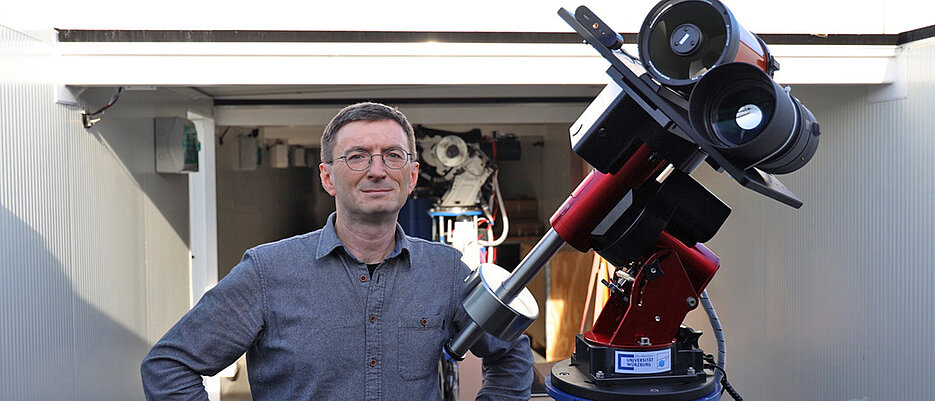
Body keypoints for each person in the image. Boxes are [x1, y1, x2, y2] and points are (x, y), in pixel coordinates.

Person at [141, 102, 534, 400]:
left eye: (393, 156)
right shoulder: (267, 271)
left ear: (412, 176)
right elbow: (169, 367)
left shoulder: (444, 270)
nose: (377, 170)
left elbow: (510, 352)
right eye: (358, 156)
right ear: (328, 177)